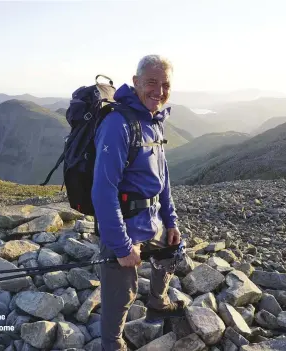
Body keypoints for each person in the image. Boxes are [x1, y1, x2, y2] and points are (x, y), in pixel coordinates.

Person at [91, 54, 185, 351]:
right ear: (135, 82)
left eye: (165, 84)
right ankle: (112, 345)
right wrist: (120, 245)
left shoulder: (154, 121)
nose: (159, 91)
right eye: (151, 83)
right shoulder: (118, 124)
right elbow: (103, 191)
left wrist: (171, 222)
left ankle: (158, 302)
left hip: (152, 219)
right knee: (121, 293)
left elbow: (163, 178)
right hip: (124, 226)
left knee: (172, 249)